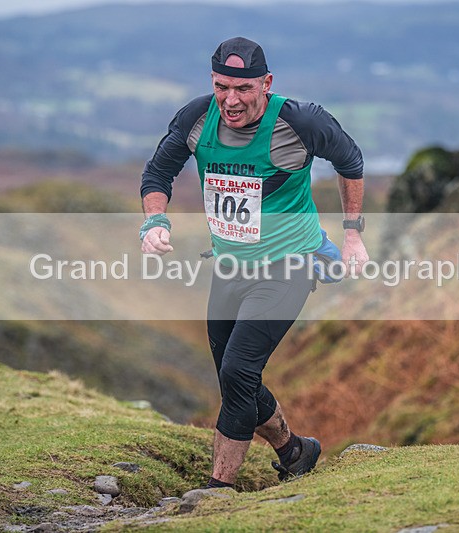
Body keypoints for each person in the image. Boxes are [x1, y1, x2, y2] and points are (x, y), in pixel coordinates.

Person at [140, 36, 368, 490]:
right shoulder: (195, 118)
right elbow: (158, 172)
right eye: (222, 87)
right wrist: (155, 221)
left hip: (290, 265)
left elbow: (350, 161)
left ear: (266, 83)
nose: (231, 100)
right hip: (230, 267)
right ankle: (295, 451)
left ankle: (218, 487)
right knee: (236, 380)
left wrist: (352, 234)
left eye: (243, 88)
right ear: (212, 82)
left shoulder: (301, 122)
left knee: (238, 371)